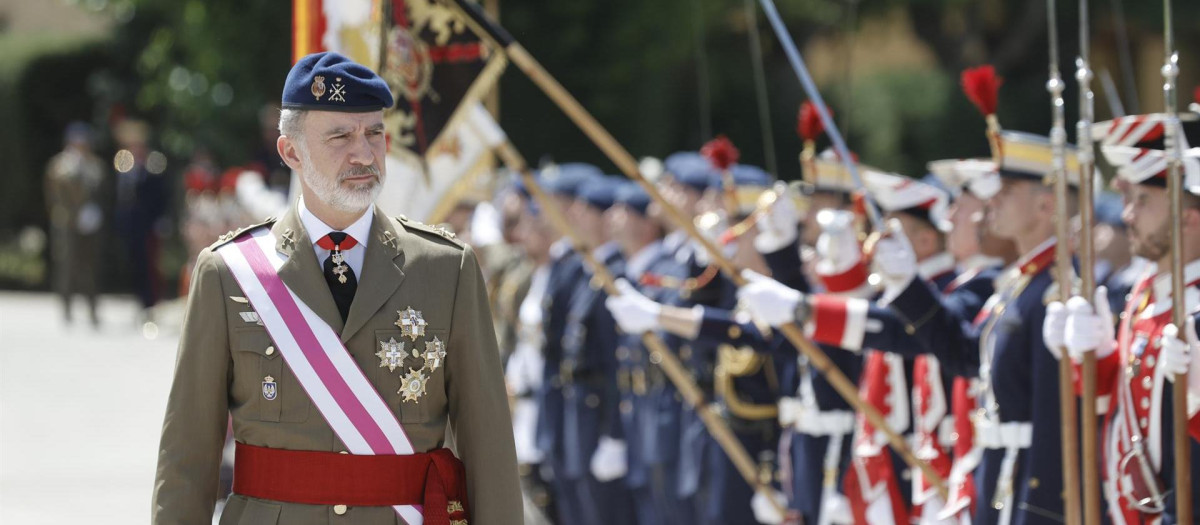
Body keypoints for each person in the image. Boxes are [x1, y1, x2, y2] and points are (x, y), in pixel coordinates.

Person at [152, 52, 522, 524]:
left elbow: (488, 445)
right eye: (340, 137)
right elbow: (188, 454)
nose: (364, 154)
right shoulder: (229, 273)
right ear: (290, 153)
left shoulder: (447, 269)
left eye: (374, 134)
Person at [1046, 113, 1200, 524]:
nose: (1127, 215)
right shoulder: (1145, 293)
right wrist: (1094, 356)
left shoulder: (1194, 305)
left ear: (1188, 218)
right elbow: (1113, 406)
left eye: (1142, 201)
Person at [44, 121, 105, 326]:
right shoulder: (60, 164)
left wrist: (93, 213)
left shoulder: (94, 165)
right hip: (67, 222)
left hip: (89, 223)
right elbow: (53, 195)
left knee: (90, 266)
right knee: (67, 265)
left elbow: (101, 192)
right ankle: (67, 308)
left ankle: (92, 309)